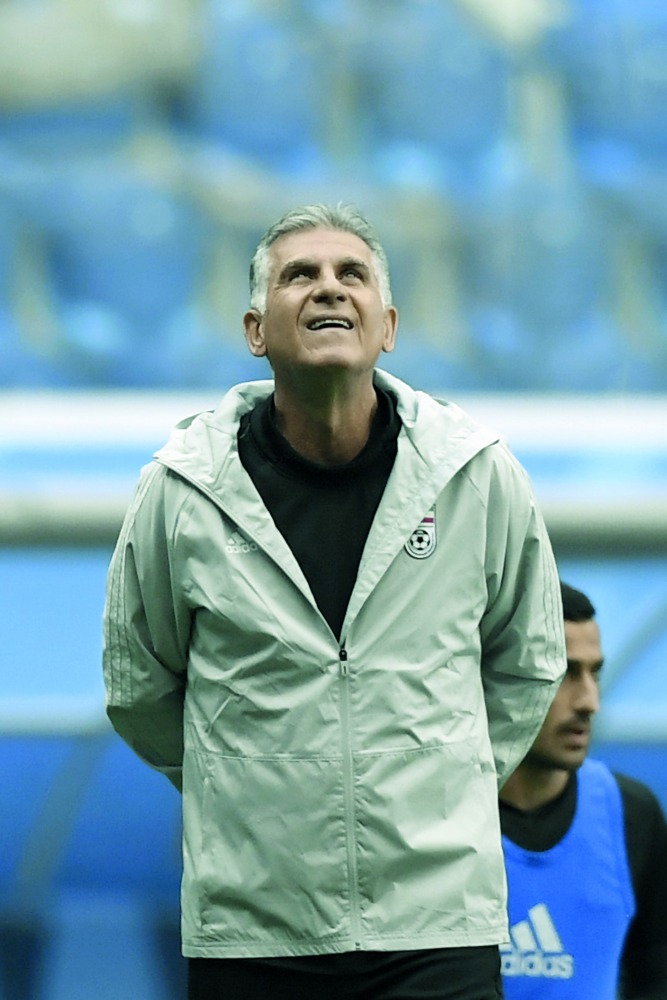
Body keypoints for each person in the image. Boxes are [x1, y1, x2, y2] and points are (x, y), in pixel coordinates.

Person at [103, 202, 566, 1000]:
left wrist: (441, 781)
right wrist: (248, 786)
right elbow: (139, 685)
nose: (328, 289)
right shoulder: (179, 490)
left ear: (387, 326)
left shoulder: (477, 475)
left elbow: (528, 663)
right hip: (255, 928)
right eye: (299, 275)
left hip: (437, 925)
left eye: (350, 274)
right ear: (255, 330)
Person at [499, 580, 667, 999]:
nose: (590, 700)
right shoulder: (439, 819)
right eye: (565, 673)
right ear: (500, 675)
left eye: (595, 672)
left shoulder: (632, 815)